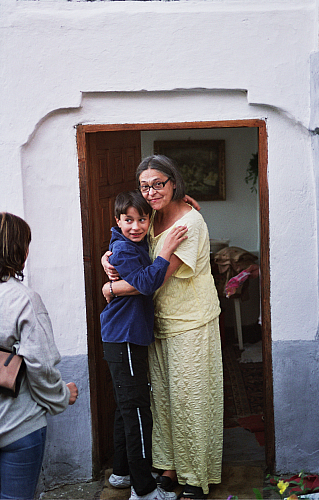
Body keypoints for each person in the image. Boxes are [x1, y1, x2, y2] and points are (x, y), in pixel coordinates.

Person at [102, 155, 224, 500]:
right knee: (164, 401)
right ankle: (170, 467)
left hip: (191, 321)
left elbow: (152, 279)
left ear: (174, 183)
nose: (152, 191)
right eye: (145, 185)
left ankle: (194, 476)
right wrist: (106, 257)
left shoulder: (191, 223)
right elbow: (123, 233)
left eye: (158, 183)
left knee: (191, 400)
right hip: (158, 322)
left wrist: (111, 288)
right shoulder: (151, 215)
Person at [101, 190, 187, 500]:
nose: (135, 226)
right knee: (137, 412)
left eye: (141, 219)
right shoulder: (123, 251)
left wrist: (184, 203)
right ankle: (145, 490)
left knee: (126, 410)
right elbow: (148, 282)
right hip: (123, 336)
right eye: (128, 220)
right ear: (117, 221)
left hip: (126, 336)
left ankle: (123, 472)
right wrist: (167, 250)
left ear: (149, 220)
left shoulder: (126, 245)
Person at [0, 212, 78, 500]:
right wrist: (61, 395)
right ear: (19, 250)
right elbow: (40, 365)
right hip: (17, 427)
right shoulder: (23, 300)